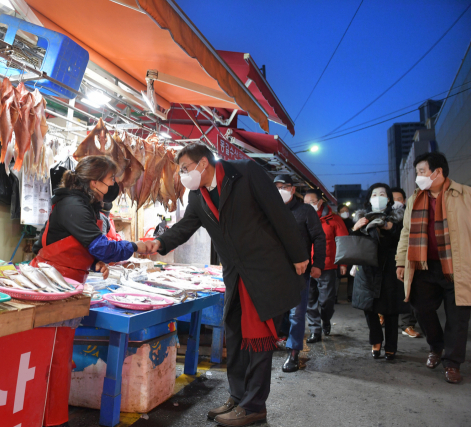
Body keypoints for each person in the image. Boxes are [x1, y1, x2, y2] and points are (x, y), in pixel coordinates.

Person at [143, 143, 309, 426]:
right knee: (235, 334)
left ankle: (254, 406)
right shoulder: (198, 196)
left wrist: (299, 255)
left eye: (185, 168)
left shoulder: (245, 173)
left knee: (258, 339)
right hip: (235, 273)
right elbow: (186, 226)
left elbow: (277, 213)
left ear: (203, 164)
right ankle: (237, 397)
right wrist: (159, 243)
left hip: (264, 270)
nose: (183, 175)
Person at [30, 156, 148, 426]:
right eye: (110, 181)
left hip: (68, 283)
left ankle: (54, 415)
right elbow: (102, 246)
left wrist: (92, 263)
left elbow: (75, 243)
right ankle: (49, 418)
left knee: (60, 353)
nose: (113, 186)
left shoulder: (86, 204)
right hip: (52, 284)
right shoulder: (73, 204)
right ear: (94, 182)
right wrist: (136, 247)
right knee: (52, 356)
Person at [396, 152, 471, 384]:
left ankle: (452, 364)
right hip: (423, 266)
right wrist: (401, 261)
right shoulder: (415, 199)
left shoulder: (468, 195)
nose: (418, 177)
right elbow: (406, 232)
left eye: (422, 172)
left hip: (458, 267)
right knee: (421, 310)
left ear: (438, 171)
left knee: (458, 319)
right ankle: (436, 347)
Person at [351, 184, 410, 361]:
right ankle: (376, 340)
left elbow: (404, 239)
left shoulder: (398, 217)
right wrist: (355, 228)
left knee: (391, 309)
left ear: (389, 198)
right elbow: (353, 245)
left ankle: (391, 347)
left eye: (382, 194)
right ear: (369, 198)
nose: (378, 197)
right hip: (367, 268)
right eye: (374, 194)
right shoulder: (362, 217)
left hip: (390, 268)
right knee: (369, 307)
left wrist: (390, 228)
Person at [274, 175, 326, 373]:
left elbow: (319, 238)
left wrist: (318, 264)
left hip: (300, 271)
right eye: (276, 187)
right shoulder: (271, 209)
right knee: (276, 310)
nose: (280, 190)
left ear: (293, 189)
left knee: (297, 312)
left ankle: (294, 352)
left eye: (284, 187)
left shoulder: (305, 211)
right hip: (274, 271)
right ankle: (276, 340)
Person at [303, 189, 349, 343]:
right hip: (307, 267)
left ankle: (326, 319)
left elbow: (343, 243)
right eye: (306, 203)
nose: (309, 206)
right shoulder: (302, 219)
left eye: (312, 202)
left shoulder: (334, 220)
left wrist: (343, 263)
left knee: (327, 300)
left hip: (327, 267)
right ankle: (315, 330)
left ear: (320, 202)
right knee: (309, 300)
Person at [391, 187, 422, 339]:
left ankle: (407, 325)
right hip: (387, 260)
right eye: (393, 199)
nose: (396, 202)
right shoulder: (382, 215)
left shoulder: (411, 214)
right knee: (387, 292)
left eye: (399, 199)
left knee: (407, 291)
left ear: (404, 201)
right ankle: (383, 316)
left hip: (406, 258)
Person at [337, 203, 355, 302]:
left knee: (351, 274)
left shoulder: (352, 223)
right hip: (340, 251)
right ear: (339, 213)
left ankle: (350, 295)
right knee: (338, 275)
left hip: (351, 250)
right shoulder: (337, 222)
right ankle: (335, 296)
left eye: (346, 211)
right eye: (343, 211)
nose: (345, 213)